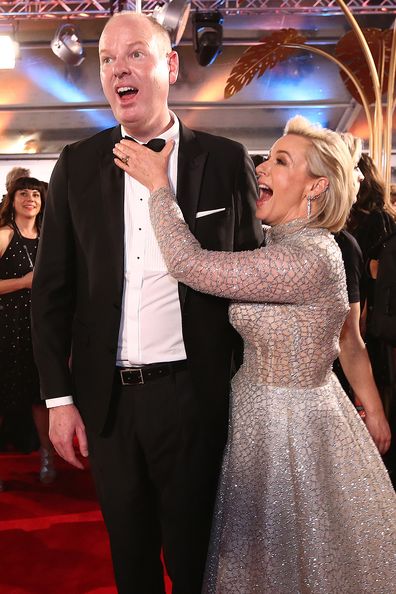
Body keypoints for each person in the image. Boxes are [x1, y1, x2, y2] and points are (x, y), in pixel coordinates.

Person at [112, 115, 396, 593]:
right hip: (252, 414)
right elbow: (348, 338)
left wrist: (160, 186)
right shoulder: (274, 244)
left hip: (295, 427)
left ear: (316, 187)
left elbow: (190, 265)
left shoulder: (309, 257)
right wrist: (374, 408)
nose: (262, 168)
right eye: (267, 156)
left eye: (282, 161)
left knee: (298, 560)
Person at [31, 11, 263, 594]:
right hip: (105, 405)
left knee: (196, 562)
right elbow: (50, 294)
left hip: (194, 397)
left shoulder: (226, 160)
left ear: (170, 65)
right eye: (106, 59)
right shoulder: (76, 165)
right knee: (129, 559)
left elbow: (252, 282)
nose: (116, 70)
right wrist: (59, 399)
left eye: (134, 54)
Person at [334, 133, 391, 454]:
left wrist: (375, 411)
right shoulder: (266, 239)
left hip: (349, 360)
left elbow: (351, 337)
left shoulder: (345, 241)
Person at [0, 177, 56, 491]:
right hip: (4, 330)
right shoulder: (5, 235)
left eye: (35, 194)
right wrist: (22, 282)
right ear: (14, 199)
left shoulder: (50, 238)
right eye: (23, 193)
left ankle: (47, 457)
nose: (30, 199)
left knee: (41, 399)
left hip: (39, 329)